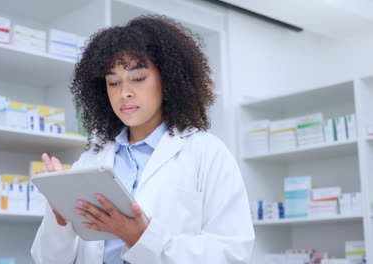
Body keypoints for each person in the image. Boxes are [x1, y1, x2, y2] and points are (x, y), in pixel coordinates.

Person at [31, 15, 254, 264]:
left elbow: (233, 253)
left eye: (137, 79)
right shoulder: (90, 161)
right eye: (113, 82)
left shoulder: (207, 152)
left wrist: (142, 238)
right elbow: (46, 260)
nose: (124, 92)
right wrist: (59, 218)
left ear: (167, 80)